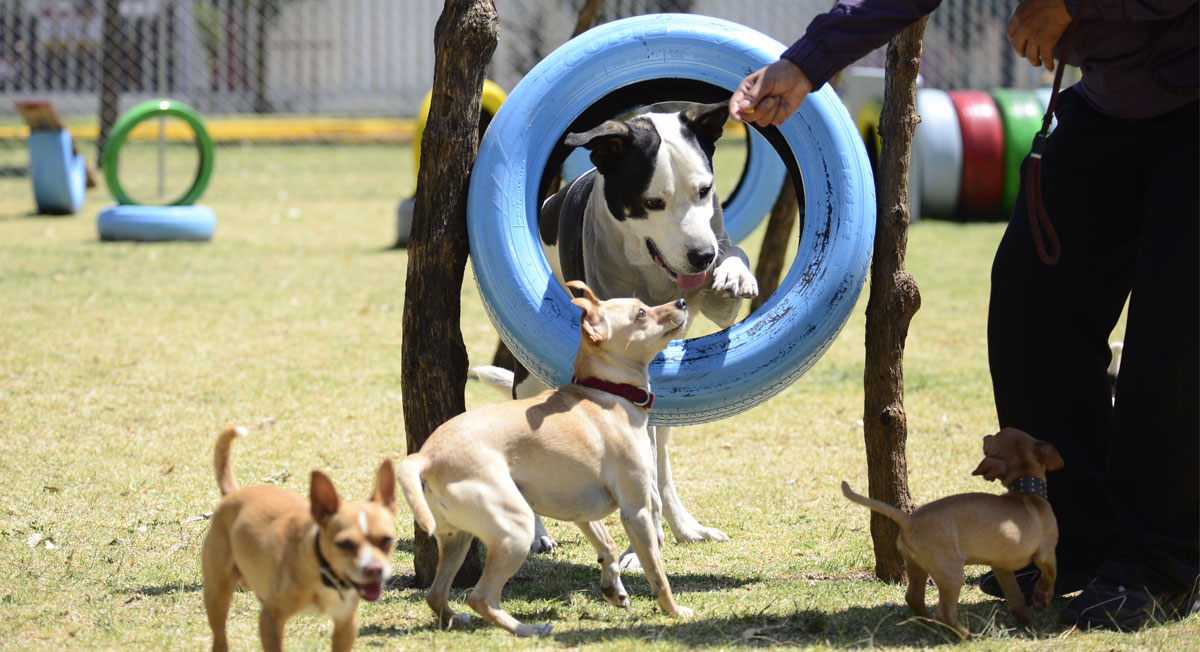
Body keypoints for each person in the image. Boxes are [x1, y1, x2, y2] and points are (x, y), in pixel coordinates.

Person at [730, 0, 1198, 632]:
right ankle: (1072, 539)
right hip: (1112, 104)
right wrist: (807, 62)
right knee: (1032, 308)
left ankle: (1160, 566)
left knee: (1174, 338)